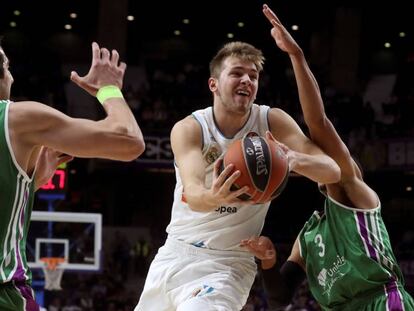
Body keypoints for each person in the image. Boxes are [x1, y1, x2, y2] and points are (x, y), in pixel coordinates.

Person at [135, 9, 342, 311]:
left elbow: (333, 170)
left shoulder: (271, 121)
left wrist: (293, 158)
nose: (246, 80)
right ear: (213, 84)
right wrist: (214, 196)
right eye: (236, 73)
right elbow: (192, 193)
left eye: (253, 76)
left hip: (228, 262)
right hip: (174, 253)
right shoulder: (190, 128)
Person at [241, 4, 414, 311]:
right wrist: (268, 262)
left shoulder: (354, 190)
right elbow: (280, 298)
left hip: (382, 302)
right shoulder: (308, 236)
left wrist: (297, 56)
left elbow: (318, 122)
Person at [0, 41, 145, 310]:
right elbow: (129, 142)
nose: (12, 75)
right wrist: (109, 90)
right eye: (7, 67)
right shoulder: (17, 118)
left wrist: (30, 185)